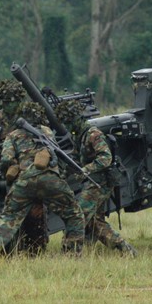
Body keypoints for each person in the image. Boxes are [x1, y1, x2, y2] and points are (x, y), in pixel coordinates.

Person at [0, 102, 85, 256]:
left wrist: (11, 170)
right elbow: (57, 156)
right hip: (50, 179)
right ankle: (71, 253)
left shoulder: (12, 135)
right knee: (74, 213)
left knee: (8, 217)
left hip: (25, 181)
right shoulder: (47, 132)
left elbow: (5, 160)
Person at [0, 81, 47, 253]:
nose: (9, 105)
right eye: (6, 101)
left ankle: (35, 248)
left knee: (36, 207)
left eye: (13, 101)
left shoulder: (29, 114)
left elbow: (42, 140)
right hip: (1, 164)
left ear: (20, 99)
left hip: (29, 166)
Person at [55, 100, 137, 257]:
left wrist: (86, 169)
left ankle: (70, 253)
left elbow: (106, 158)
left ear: (77, 119)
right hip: (93, 182)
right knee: (96, 223)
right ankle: (126, 251)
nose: (66, 126)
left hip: (100, 183)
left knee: (78, 216)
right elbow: (76, 157)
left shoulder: (93, 134)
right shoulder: (79, 136)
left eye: (68, 121)